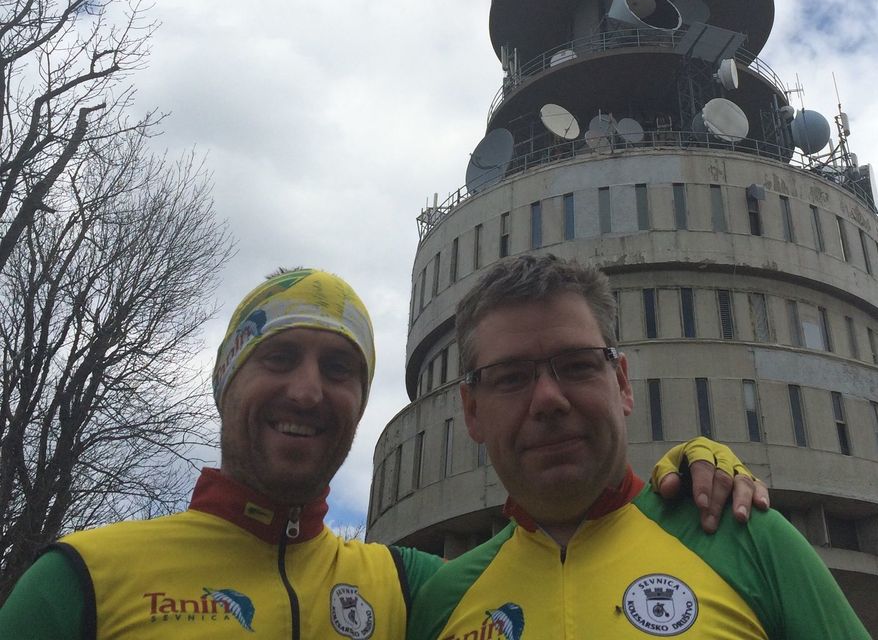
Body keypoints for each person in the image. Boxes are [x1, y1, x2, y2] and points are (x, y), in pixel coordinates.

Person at [0, 267, 765, 639]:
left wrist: (684, 468)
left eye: (339, 370)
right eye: (278, 358)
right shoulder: (81, 579)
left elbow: (560, 556)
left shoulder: (412, 589)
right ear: (225, 383)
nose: (307, 391)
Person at [407, 254, 871, 640]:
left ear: (623, 383)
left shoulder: (749, 542)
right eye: (510, 377)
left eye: (577, 365)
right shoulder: (442, 602)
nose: (548, 399)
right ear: (472, 411)